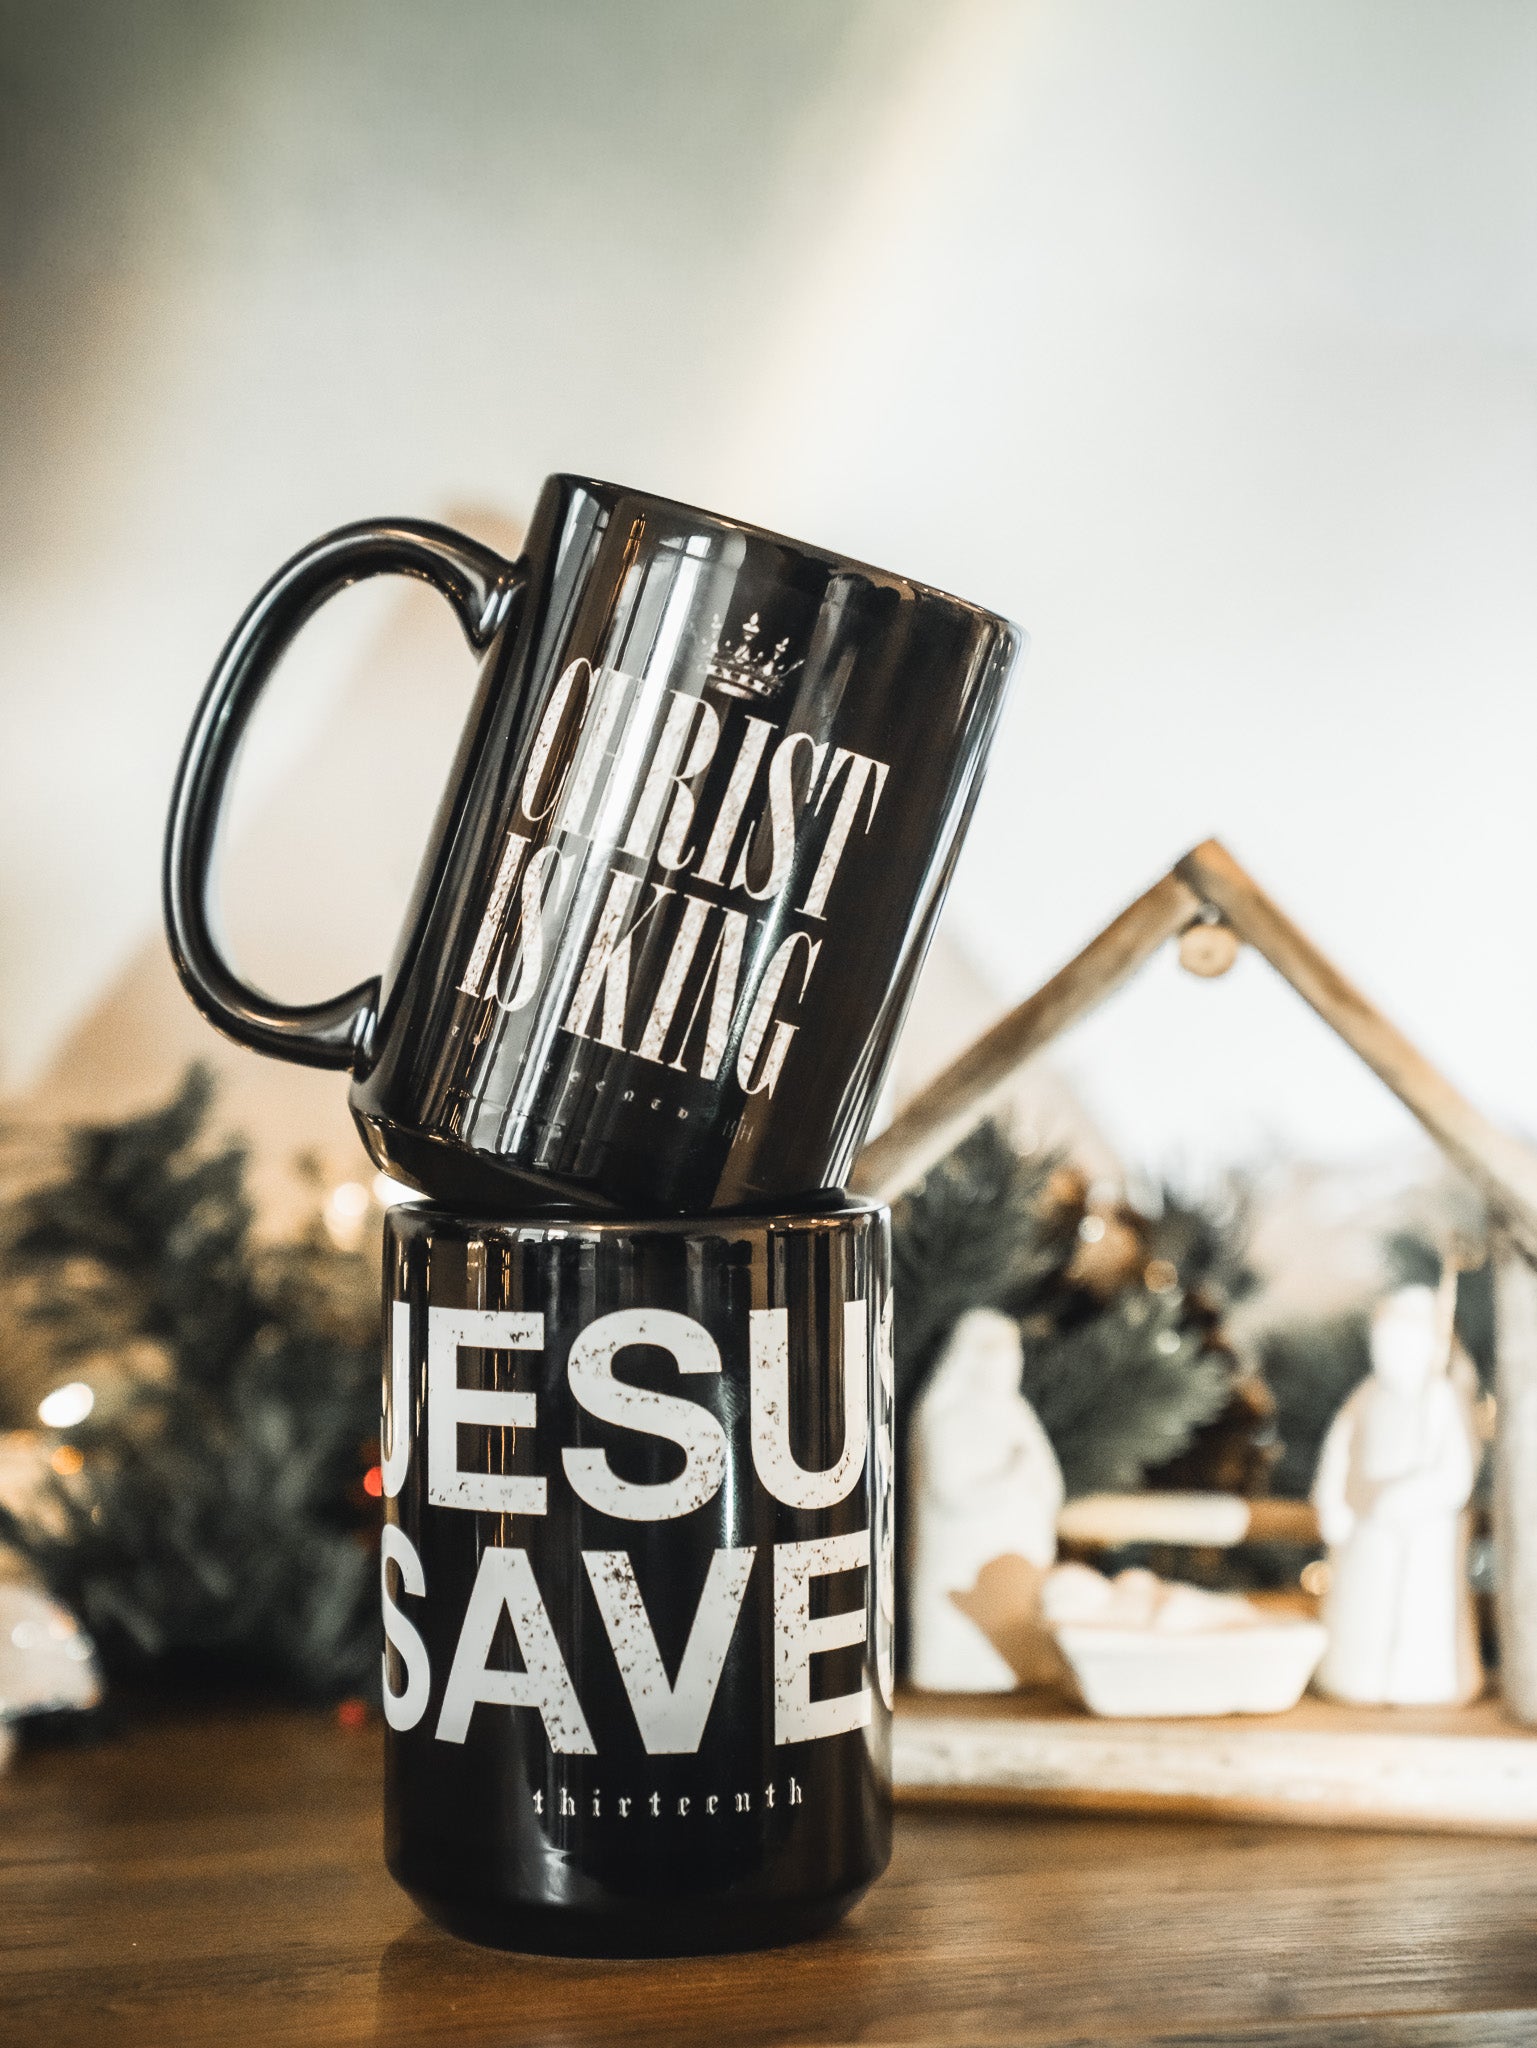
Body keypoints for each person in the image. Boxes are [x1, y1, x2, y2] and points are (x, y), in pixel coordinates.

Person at [1312, 1280, 1483, 1706]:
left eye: (1398, 1340)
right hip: (1364, 1537)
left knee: (1417, 1620)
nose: (1385, 1350)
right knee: (1361, 1615)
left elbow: (1456, 1475)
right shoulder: (1366, 1397)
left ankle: (1419, 1681)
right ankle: (1353, 1676)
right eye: (1381, 1340)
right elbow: (1338, 1453)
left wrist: (1409, 1498)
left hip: (1423, 1542)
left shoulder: (1442, 1399)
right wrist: (1331, 1502)